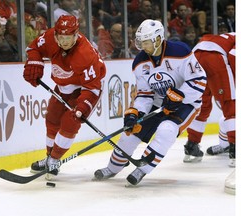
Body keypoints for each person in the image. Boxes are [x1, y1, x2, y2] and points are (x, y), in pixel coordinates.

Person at [93, 19, 207, 186]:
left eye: (145, 42)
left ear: (158, 39)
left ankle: (142, 169)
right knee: (130, 133)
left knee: (166, 130)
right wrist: (136, 112)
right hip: (158, 102)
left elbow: (199, 80)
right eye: (140, 42)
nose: (141, 46)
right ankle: (112, 167)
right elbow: (145, 94)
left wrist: (180, 96)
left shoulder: (180, 51)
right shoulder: (140, 62)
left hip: (187, 102)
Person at [23, 15, 106, 178]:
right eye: (61, 37)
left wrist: (83, 106)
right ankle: (49, 157)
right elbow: (33, 48)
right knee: (52, 118)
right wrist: (34, 61)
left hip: (87, 87)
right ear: (55, 35)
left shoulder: (85, 54)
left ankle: (54, 160)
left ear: (76, 35)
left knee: (71, 120)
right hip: (64, 85)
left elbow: (92, 88)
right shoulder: (49, 37)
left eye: (68, 37)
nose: (64, 42)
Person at [183, 33, 235, 167]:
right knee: (230, 104)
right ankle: (235, 150)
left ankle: (191, 147)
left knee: (201, 105)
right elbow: (234, 56)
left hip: (195, 56)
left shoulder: (228, 36)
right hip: (214, 57)